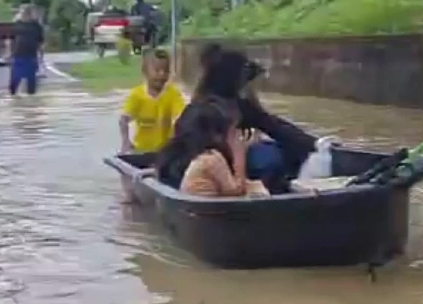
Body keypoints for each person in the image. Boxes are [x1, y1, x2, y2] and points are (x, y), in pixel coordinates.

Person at [160, 43, 320, 194]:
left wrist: (316, 144)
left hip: (219, 167)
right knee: (270, 157)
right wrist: (237, 152)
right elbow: (195, 153)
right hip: (201, 172)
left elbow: (275, 126)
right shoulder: (203, 110)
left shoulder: (237, 105)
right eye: (243, 78)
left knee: (275, 152)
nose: (246, 84)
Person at [155, 96, 268, 198]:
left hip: (198, 202)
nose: (237, 137)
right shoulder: (212, 158)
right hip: (205, 210)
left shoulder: (200, 155)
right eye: (233, 133)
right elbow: (236, 190)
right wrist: (239, 153)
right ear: (217, 135)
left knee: (254, 185)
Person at [119, 48, 185, 154]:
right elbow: (123, 120)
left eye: (166, 71)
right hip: (142, 150)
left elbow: (182, 117)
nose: (162, 75)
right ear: (145, 72)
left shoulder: (173, 94)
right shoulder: (137, 95)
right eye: (157, 70)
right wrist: (126, 142)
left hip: (166, 150)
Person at [9, 3, 43, 96]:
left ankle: (31, 99)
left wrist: (41, 56)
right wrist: (10, 54)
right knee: (16, 78)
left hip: (31, 55)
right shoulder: (17, 24)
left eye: (28, 12)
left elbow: (40, 41)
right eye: (24, 12)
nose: (26, 14)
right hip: (18, 54)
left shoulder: (36, 26)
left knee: (31, 79)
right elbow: (11, 40)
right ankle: (13, 95)